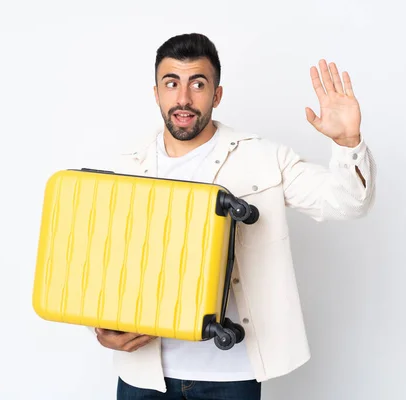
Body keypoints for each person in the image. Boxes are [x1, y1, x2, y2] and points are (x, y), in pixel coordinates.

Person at [91, 33, 376, 399]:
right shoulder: (126, 168)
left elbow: (347, 203)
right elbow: (101, 266)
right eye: (171, 83)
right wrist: (100, 327)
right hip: (143, 377)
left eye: (198, 83)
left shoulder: (263, 157)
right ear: (156, 92)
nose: (183, 98)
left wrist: (348, 144)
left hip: (231, 376)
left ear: (217, 94)